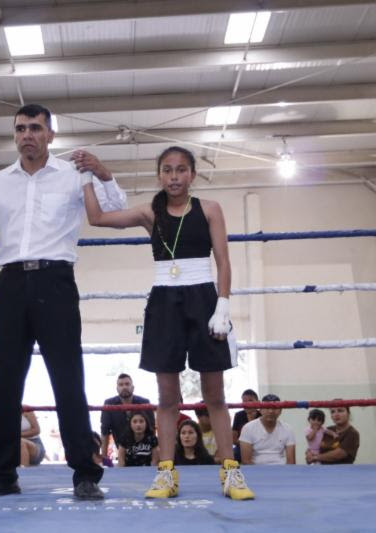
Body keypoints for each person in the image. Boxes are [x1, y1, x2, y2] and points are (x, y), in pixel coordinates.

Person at [0, 103, 127, 502]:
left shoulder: (74, 173)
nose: (27, 135)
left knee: (68, 379)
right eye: (21, 128)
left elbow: (116, 210)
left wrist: (104, 174)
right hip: (13, 281)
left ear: (50, 135)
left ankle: (85, 473)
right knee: (7, 382)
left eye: (36, 128)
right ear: (14, 135)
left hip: (56, 279)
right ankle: (2, 474)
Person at [83, 145, 254, 500]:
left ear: (192, 174)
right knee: (167, 396)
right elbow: (97, 217)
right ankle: (166, 473)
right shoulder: (150, 212)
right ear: (159, 174)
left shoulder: (210, 209)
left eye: (180, 170)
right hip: (164, 302)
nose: (174, 176)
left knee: (215, 394)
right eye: (167, 170)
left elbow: (223, 260)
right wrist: (90, 176)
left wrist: (223, 303)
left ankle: (230, 472)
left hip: (204, 299)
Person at [100, 373, 154, 460]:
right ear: (117, 389)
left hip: (145, 452)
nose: (124, 387)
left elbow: (151, 429)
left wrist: (153, 452)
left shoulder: (145, 402)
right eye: (121, 385)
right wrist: (104, 457)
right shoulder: (109, 404)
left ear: (133, 387)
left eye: (127, 384)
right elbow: (104, 431)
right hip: (122, 452)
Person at [239, 394, 296, 465]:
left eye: (275, 408)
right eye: (267, 407)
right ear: (260, 409)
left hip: (281, 470)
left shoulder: (288, 429)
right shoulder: (248, 428)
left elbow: (291, 462)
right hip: (256, 471)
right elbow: (246, 461)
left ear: (281, 410)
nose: (271, 411)